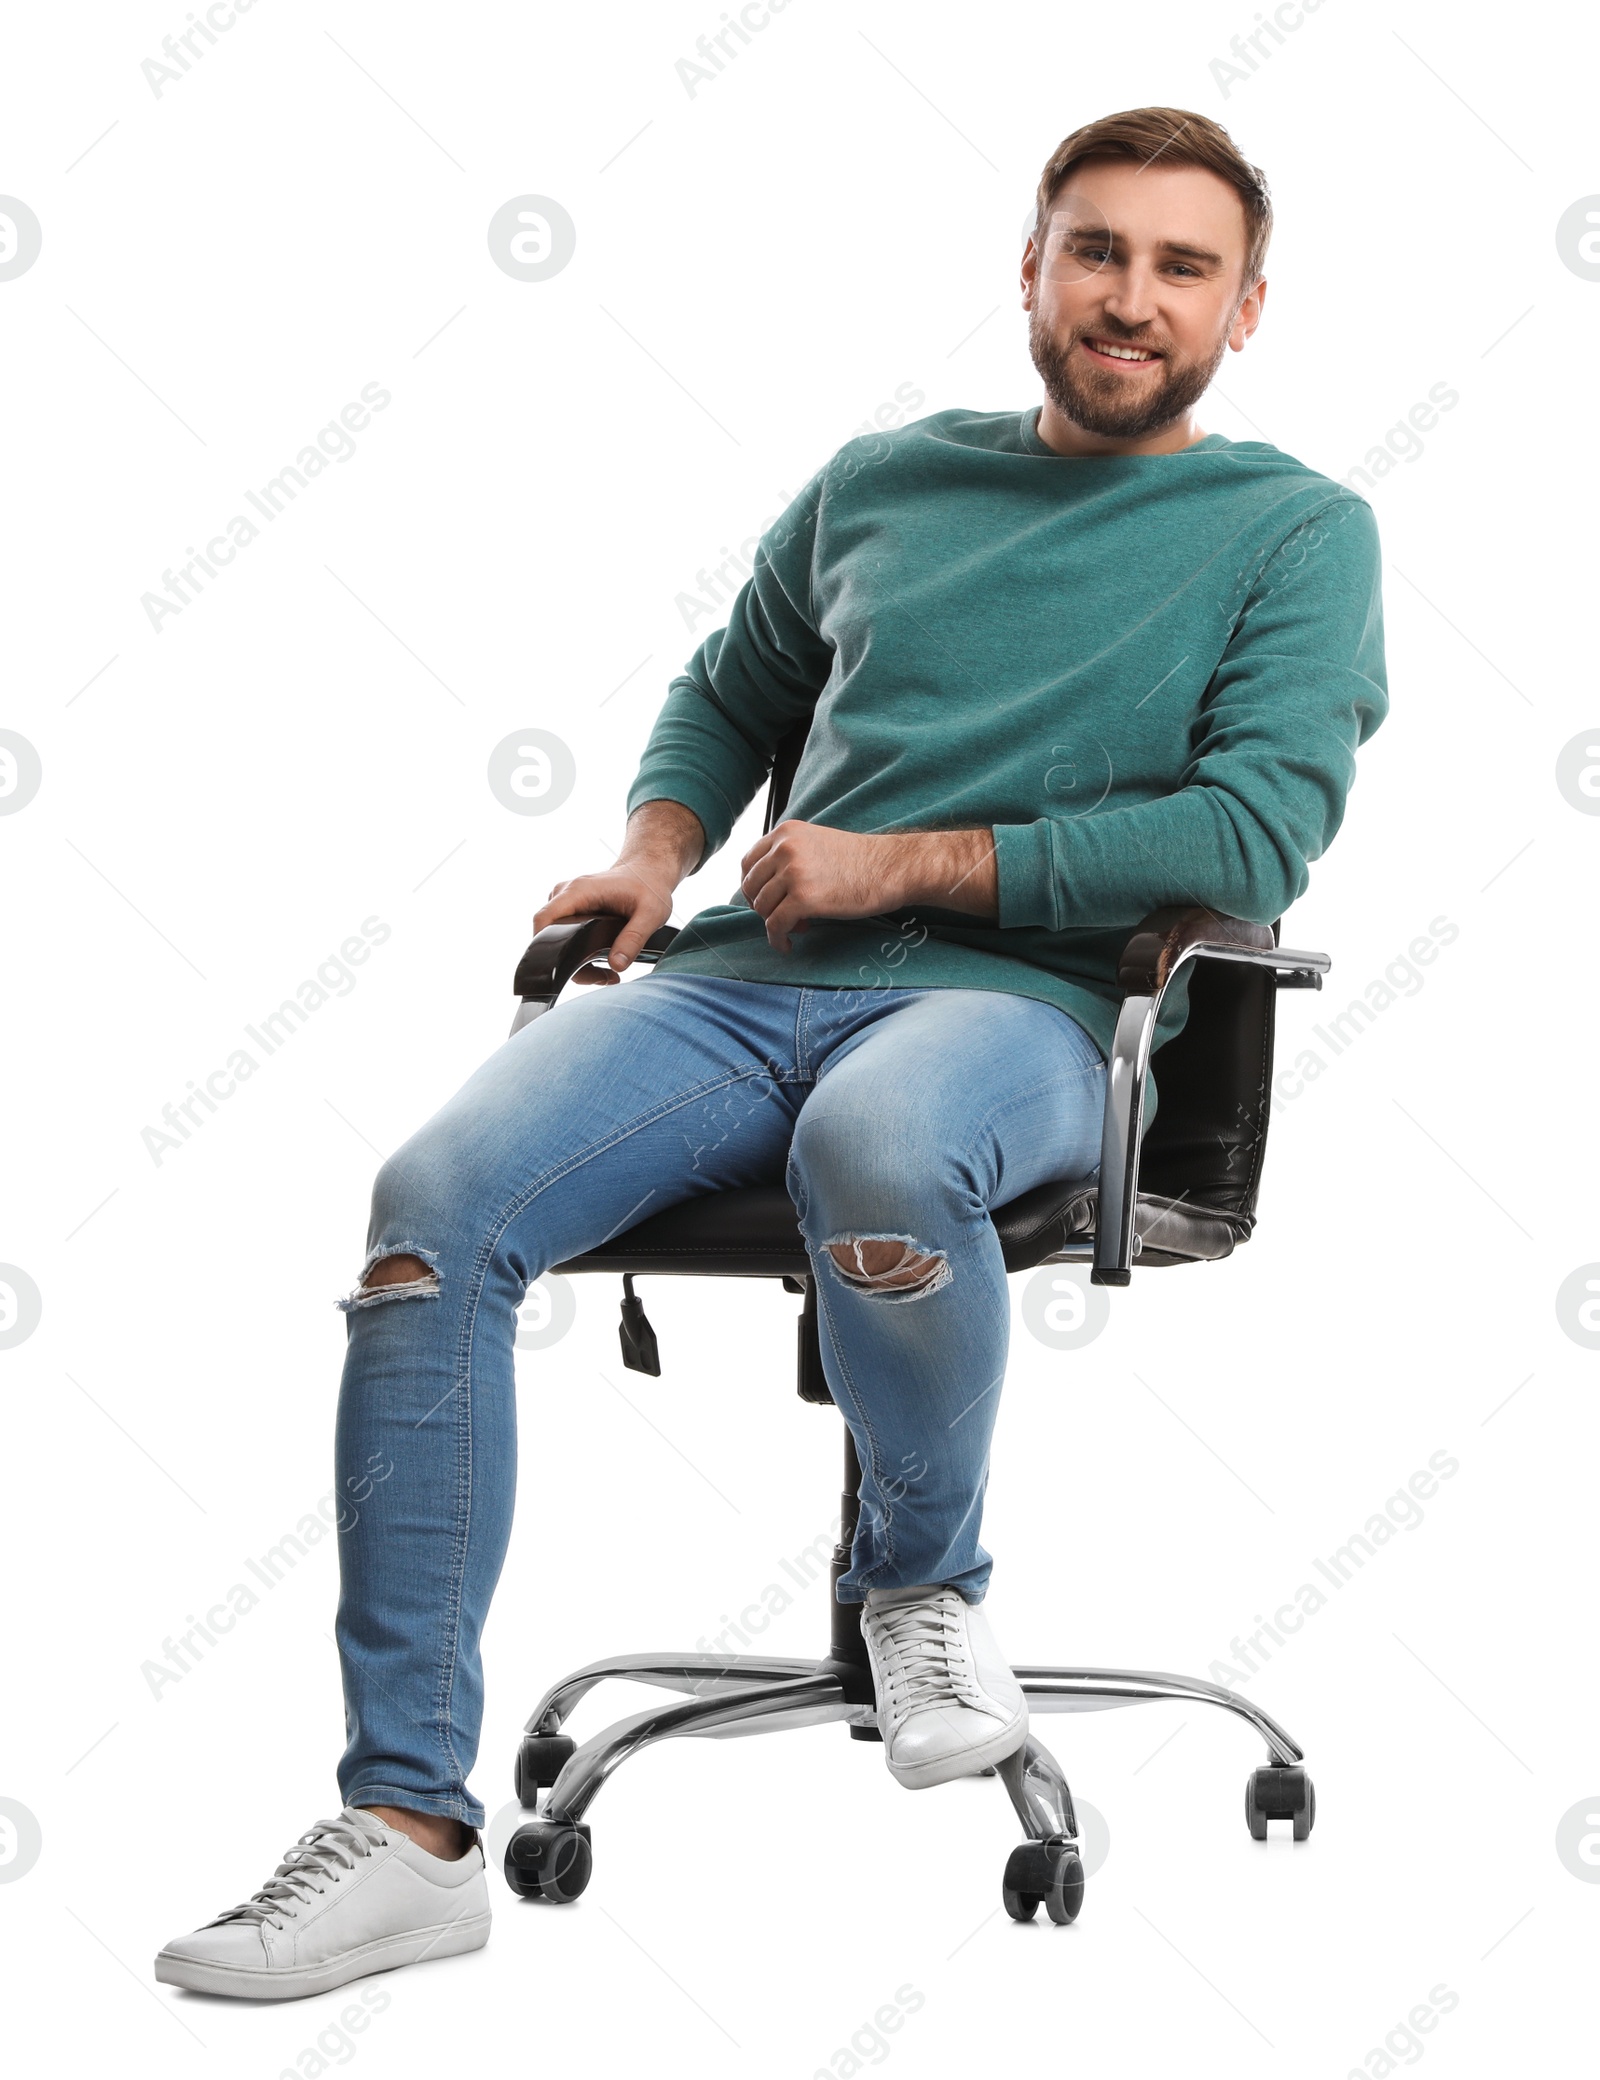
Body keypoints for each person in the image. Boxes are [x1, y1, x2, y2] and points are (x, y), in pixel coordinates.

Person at [156, 103, 1387, 2001]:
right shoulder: (886, 477)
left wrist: (906, 857)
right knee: (432, 1211)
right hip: (747, 985)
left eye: (1180, 266)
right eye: (1096, 251)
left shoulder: (1295, 531)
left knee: (884, 1148)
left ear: (1245, 308)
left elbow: (1251, 835)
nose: (1129, 298)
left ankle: (922, 1589)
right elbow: (733, 686)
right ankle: (406, 1830)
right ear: (1038, 268)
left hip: (1033, 1013)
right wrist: (657, 852)